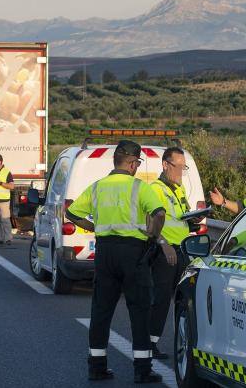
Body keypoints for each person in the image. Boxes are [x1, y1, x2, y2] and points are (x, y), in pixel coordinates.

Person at [65, 140, 166, 383]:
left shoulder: (97, 187)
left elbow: (71, 213)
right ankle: (142, 370)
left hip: (105, 252)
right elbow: (159, 214)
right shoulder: (140, 187)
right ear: (132, 163)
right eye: (137, 163)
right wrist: (153, 233)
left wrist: (93, 227)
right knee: (139, 310)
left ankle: (96, 367)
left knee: (101, 310)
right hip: (134, 253)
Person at [148, 146, 196, 360]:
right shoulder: (155, 189)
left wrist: (193, 219)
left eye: (184, 168)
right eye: (178, 167)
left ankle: (185, 343)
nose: (181, 172)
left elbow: (180, 217)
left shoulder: (179, 189)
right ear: (165, 165)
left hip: (183, 250)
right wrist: (164, 244)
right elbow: (150, 223)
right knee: (161, 299)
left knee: (184, 300)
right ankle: (150, 343)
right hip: (165, 251)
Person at [0, 153, 15, 245]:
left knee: (5, 220)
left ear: (0, 161)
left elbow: (11, 186)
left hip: (3, 200)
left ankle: (8, 238)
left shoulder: (6, 172)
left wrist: (0, 183)